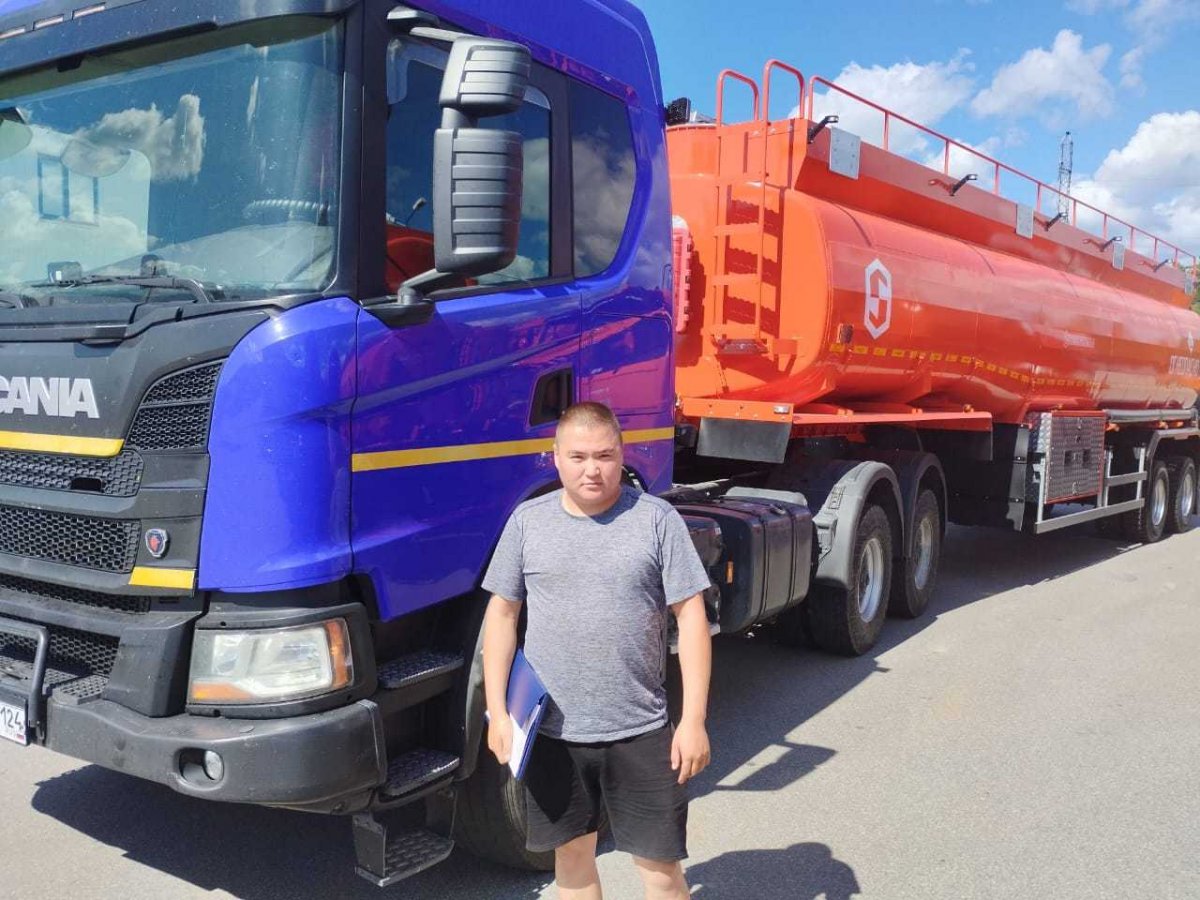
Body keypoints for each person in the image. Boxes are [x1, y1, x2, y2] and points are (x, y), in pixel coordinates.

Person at [482, 401, 714, 900]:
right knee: (571, 860)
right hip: (553, 734)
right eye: (579, 456)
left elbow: (691, 617)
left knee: (660, 871)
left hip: (641, 730)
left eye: (604, 456)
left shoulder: (656, 520)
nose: (592, 469)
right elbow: (501, 615)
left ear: (621, 455)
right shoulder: (527, 523)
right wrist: (498, 713)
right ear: (555, 457)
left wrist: (693, 720)